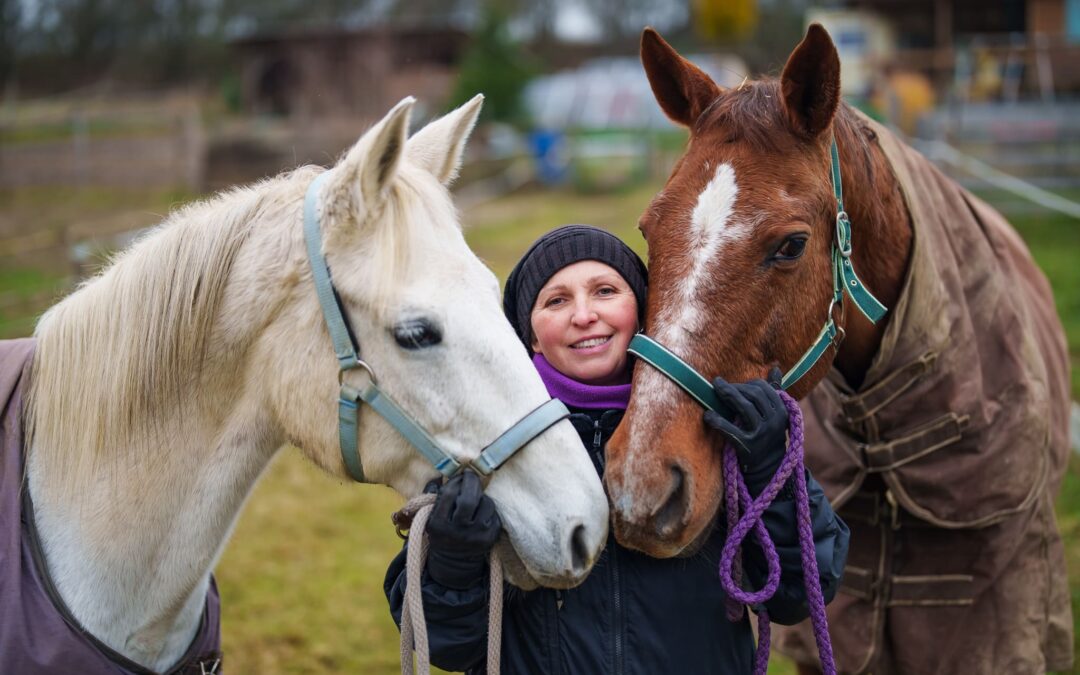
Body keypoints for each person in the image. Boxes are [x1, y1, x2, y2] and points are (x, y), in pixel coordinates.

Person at [384, 224, 849, 674]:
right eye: (557, 300)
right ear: (528, 335)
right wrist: (452, 560)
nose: (584, 315)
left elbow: (800, 596)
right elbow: (446, 644)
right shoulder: (486, 452)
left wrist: (770, 468)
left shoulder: (711, 434)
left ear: (643, 312)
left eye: (605, 291)